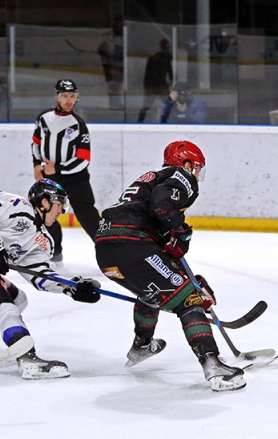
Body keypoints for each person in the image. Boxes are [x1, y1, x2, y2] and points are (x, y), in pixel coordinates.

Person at [94, 140, 246, 392]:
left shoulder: (152, 178)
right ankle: (214, 366)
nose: (197, 174)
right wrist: (181, 231)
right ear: (186, 163)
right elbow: (162, 204)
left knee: (152, 293)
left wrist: (185, 276)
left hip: (106, 251)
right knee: (190, 302)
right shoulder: (181, 175)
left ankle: (142, 345)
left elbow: (155, 227)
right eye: (196, 167)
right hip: (133, 244)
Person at [0, 179, 102, 379]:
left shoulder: (42, 240)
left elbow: (39, 275)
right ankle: (28, 359)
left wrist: (70, 287)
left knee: (19, 300)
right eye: (60, 205)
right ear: (45, 202)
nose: (62, 212)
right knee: (5, 309)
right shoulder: (14, 205)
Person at [31, 79, 101, 264]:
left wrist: (58, 168)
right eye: (64, 96)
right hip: (50, 177)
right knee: (46, 212)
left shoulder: (78, 124)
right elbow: (36, 143)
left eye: (72, 96)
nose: (69, 100)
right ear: (57, 97)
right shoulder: (44, 118)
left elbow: (83, 158)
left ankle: (108, 249)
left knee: (87, 214)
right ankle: (54, 253)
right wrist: (37, 164)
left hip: (76, 178)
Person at [137, 38, 172, 123]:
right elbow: (153, 74)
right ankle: (139, 122)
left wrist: (172, 78)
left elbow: (168, 68)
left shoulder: (167, 57)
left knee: (169, 103)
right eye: (165, 48)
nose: (167, 50)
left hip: (159, 85)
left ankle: (165, 120)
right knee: (147, 105)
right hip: (152, 85)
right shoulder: (155, 58)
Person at [97, 16, 124, 109]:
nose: (120, 26)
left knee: (118, 85)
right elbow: (101, 50)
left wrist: (120, 50)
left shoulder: (125, 36)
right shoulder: (107, 36)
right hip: (110, 65)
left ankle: (117, 103)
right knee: (112, 84)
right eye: (118, 24)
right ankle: (113, 103)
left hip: (120, 65)